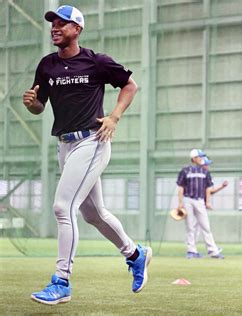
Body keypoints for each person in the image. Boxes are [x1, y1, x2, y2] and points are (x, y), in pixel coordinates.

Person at [22, 5, 151, 305]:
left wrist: (114, 117)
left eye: (62, 23)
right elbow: (39, 106)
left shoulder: (96, 62)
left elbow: (130, 86)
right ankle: (135, 254)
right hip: (65, 145)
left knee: (62, 207)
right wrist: (32, 105)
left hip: (93, 141)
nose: (55, 27)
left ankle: (61, 281)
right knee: (93, 214)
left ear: (77, 29)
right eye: (52, 23)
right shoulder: (47, 65)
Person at [176, 149, 224, 259]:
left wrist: (207, 202)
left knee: (206, 226)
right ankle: (191, 250)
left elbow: (208, 188)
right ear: (194, 159)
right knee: (190, 226)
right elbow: (181, 187)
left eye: (202, 157)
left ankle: (213, 251)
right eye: (199, 157)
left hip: (200, 201)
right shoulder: (185, 171)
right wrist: (180, 203)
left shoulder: (205, 172)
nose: (201, 159)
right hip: (188, 200)